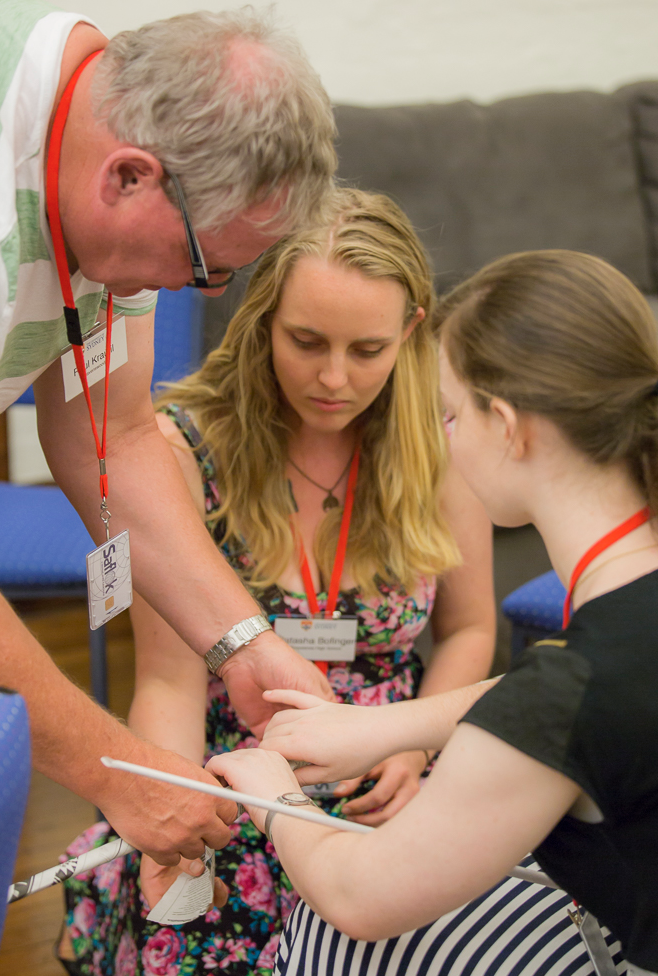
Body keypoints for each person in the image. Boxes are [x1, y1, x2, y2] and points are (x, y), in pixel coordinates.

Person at [59, 188, 496, 974]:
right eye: (305, 341)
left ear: (411, 331)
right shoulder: (179, 451)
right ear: (262, 322)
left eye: (366, 350)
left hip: (387, 768)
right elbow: (169, 680)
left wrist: (418, 750)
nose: (332, 378)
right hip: (235, 773)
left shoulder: (441, 447)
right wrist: (181, 813)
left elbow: (469, 631)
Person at [209, 249, 658, 975]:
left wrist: (274, 796)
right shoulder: (608, 634)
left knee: (332, 940)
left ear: (508, 426)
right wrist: (393, 725)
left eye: (449, 414)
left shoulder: (565, 691)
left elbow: (358, 896)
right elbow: (600, 695)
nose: (440, 436)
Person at [0, 1, 335, 866]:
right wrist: (119, 773)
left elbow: (114, 434)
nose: (207, 294)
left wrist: (242, 642)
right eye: (204, 265)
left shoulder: (107, 116)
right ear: (129, 178)